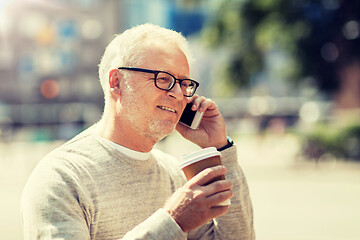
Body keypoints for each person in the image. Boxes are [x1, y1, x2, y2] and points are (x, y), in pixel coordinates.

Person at [21, 23, 254, 240]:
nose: (178, 94)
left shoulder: (176, 175)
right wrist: (172, 221)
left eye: (184, 84)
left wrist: (220, 147)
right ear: (116, 82)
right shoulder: (61, 178)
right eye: (163, 78)